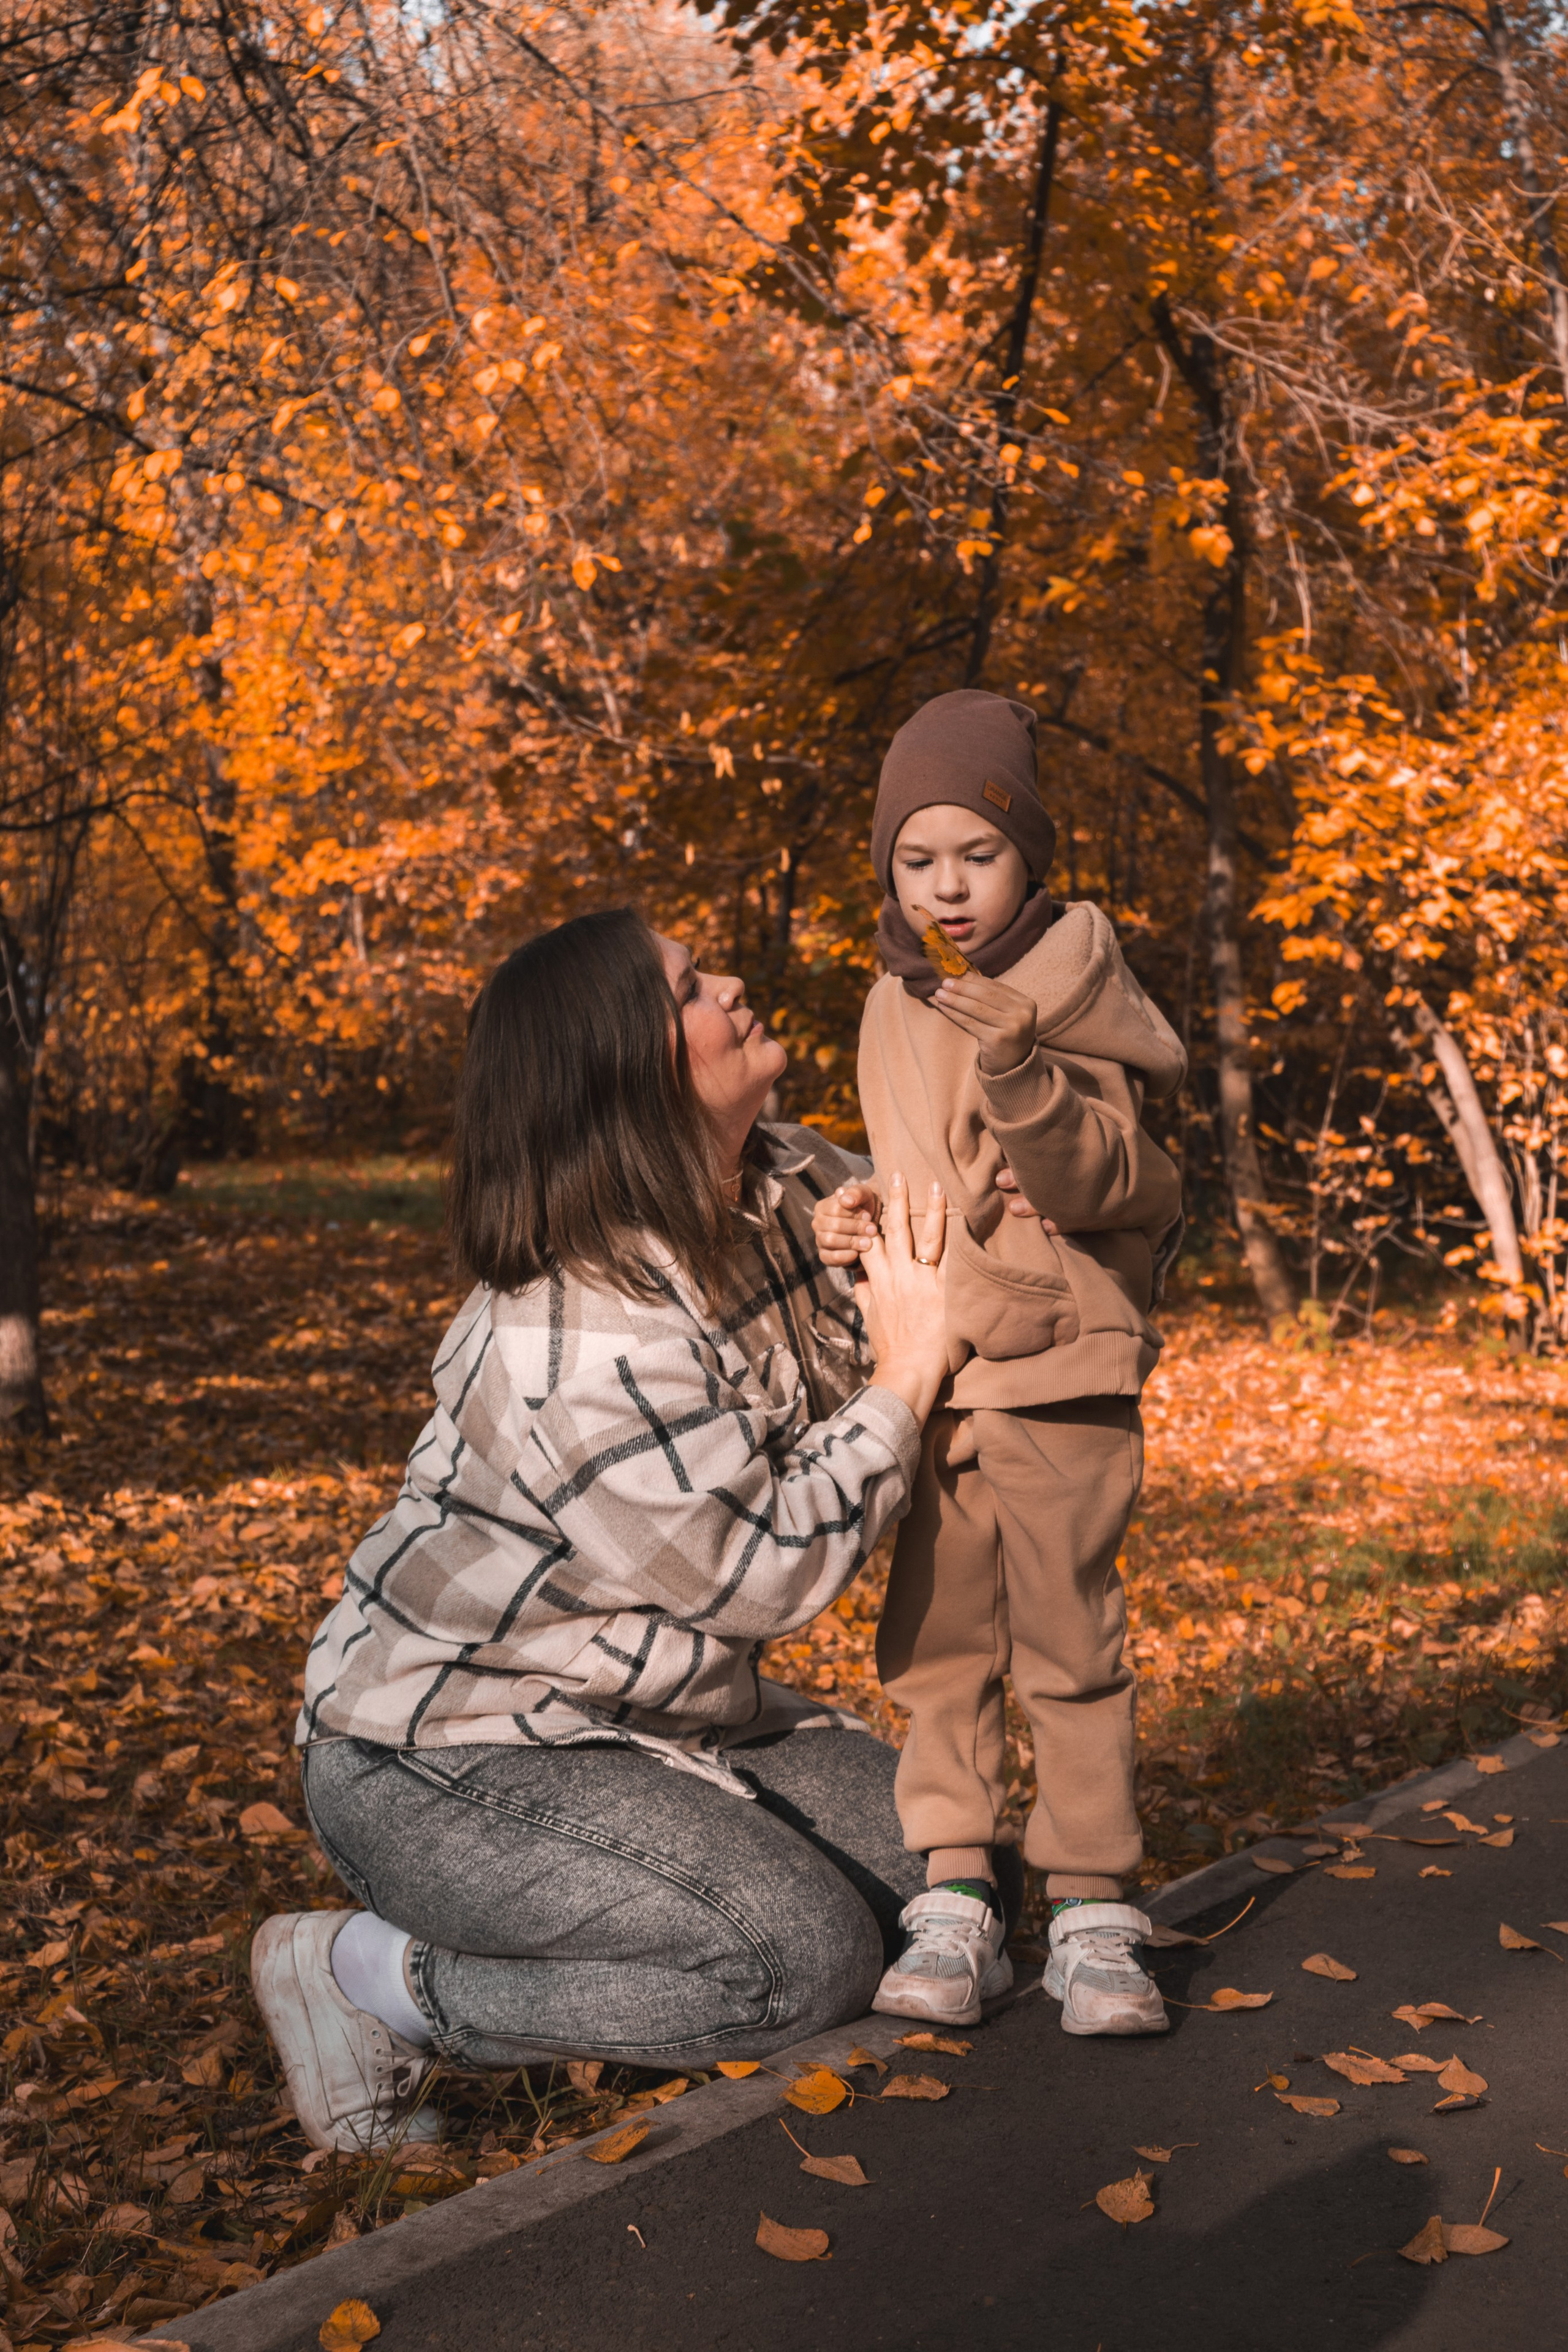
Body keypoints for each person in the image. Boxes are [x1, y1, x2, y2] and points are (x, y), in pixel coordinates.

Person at [249, 906, 975, 2153]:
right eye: (692, 988)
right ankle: (372, 1981)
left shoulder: (790, 1176)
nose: (736, 986)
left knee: (956, 1890)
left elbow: (938, 1249)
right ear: (623, 1074)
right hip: (445, 1752)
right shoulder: (572, 1327)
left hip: (667, 1716)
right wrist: (905, 1380)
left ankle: (664, 1906)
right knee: (794, 1963)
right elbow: (761, 1572)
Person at [812, 689, 1186, 2036]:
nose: (945, 888)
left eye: (974, 853)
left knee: (1068, 1645)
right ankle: (958, 1896)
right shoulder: (891, 1001)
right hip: (939, 1359)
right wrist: (855, 1214)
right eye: (916, 861)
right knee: (934, 1645)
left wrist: (1024, 1072)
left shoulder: (1064, 987)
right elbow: (919, 1169)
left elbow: (1102, 1179)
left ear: (1027, 854)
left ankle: (1091, 1912)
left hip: (1057, 1363)